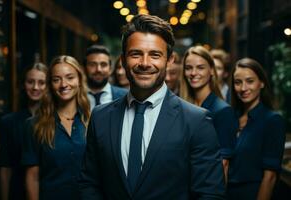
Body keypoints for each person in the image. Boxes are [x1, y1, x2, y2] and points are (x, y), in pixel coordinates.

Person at [79, 14, 225, 199]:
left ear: (169, 60)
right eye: (136, 54)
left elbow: (209, 194)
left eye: (155, 54)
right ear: (123, 60)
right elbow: (90, 183)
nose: (145, 63)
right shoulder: (100, 118)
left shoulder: (196, 121)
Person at [22, 55, 91, 200]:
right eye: (56, 79)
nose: (63, 84)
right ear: (50, 85)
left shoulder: (93, 121)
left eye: (70, 77)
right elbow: (32, 177)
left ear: (79, 80)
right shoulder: (35, 125)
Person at [227, 58, 286, 200]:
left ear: (262, 83)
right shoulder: (231, 117)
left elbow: (270, 177)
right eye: (238, 82)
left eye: (250, 81)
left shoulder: (272, 120)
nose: (243, 88)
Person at [180, 45, 237, 182]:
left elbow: (224, 164)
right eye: (188, 68)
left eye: (200, 67)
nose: (193, 73)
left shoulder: (222, 111)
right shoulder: (181, 106)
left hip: (205, 187)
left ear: (211, 70)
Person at [0, 62, 47, 200]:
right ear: (23, 84)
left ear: (48, 86)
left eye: (41, 82)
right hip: (18, 192)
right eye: (30, 82)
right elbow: (5, 169)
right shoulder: (8, 122)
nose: (35, 87)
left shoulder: (55, 121)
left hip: (48, 191)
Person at [84, 45, 127, 110]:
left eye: (103, 65)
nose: (98, 69)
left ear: (110, 69)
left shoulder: (125, 96)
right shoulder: (75, 96)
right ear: (84, 68)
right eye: (92, 65)